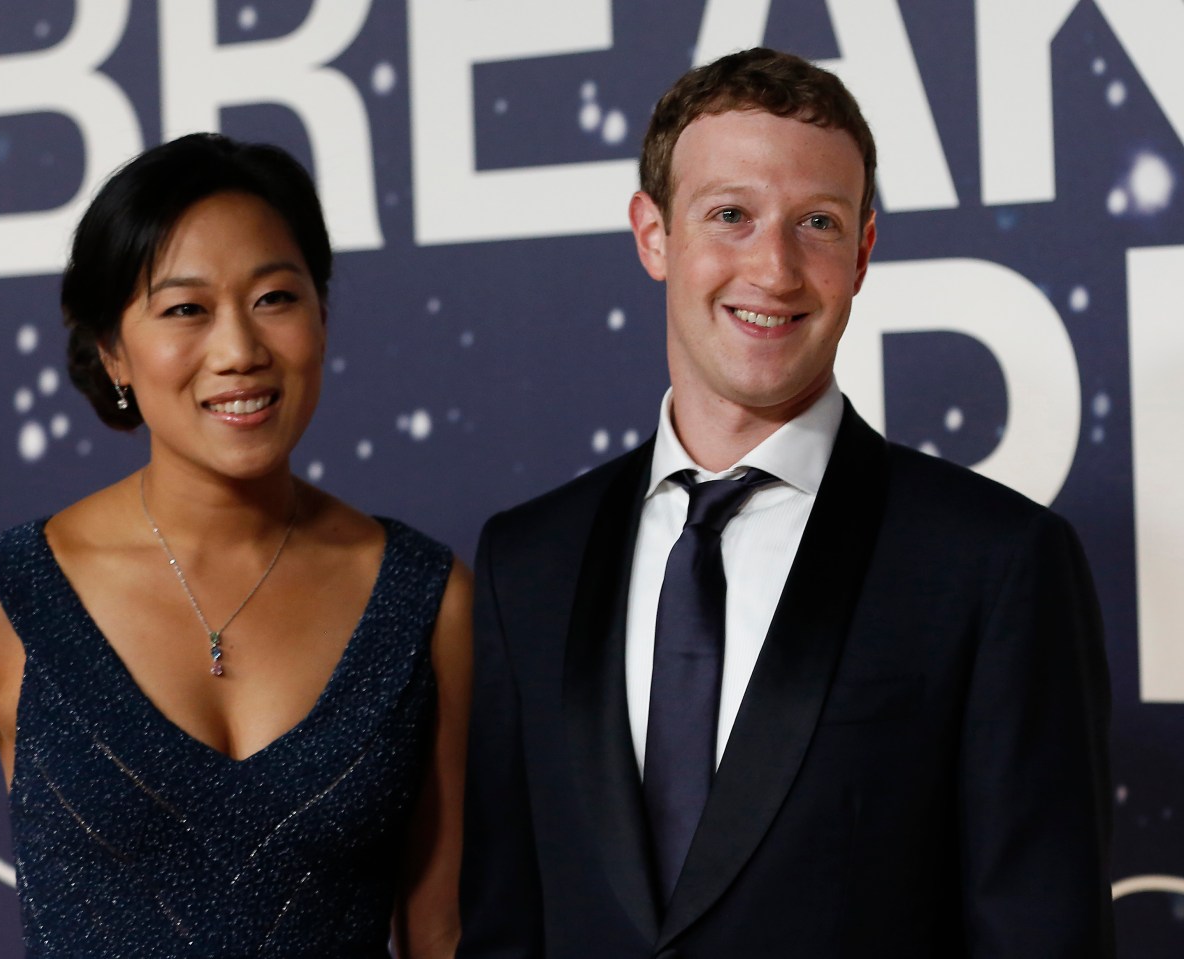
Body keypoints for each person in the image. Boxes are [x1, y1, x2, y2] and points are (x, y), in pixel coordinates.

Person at [460, 47, 1112, 958]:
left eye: (816, 222)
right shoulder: (527, 563)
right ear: (654, 234)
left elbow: (1041, 934)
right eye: (730, 215)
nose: (773, 269)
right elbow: (504, 927)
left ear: (863, 251)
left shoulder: (995, 562)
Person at [0, 133, 471, 958]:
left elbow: (441, 930)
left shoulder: (425, 599)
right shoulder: (2, 602)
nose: (239, 350)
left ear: (322, 314)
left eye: (275, 298)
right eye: (185, 309)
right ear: (113, 353)